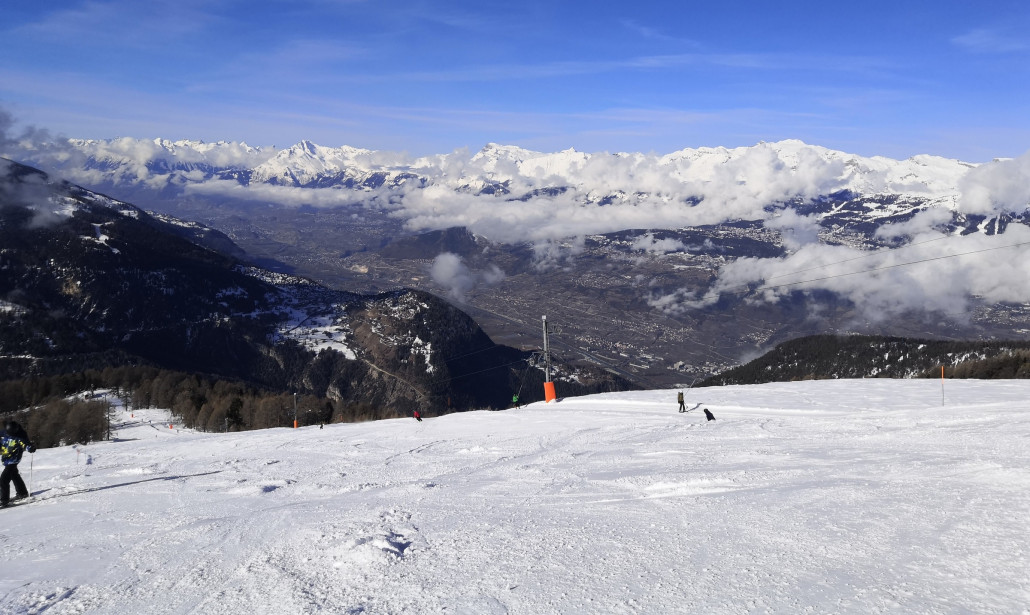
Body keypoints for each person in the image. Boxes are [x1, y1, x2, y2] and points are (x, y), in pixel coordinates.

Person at [0, 420, 35, 507]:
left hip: (14, 459)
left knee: (4, 479)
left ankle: (4, 500)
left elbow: (25, 444)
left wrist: (30, 448)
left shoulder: (21, 436)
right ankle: (22, 492)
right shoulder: (5, 432)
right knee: (14, 475)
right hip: (6, 458)